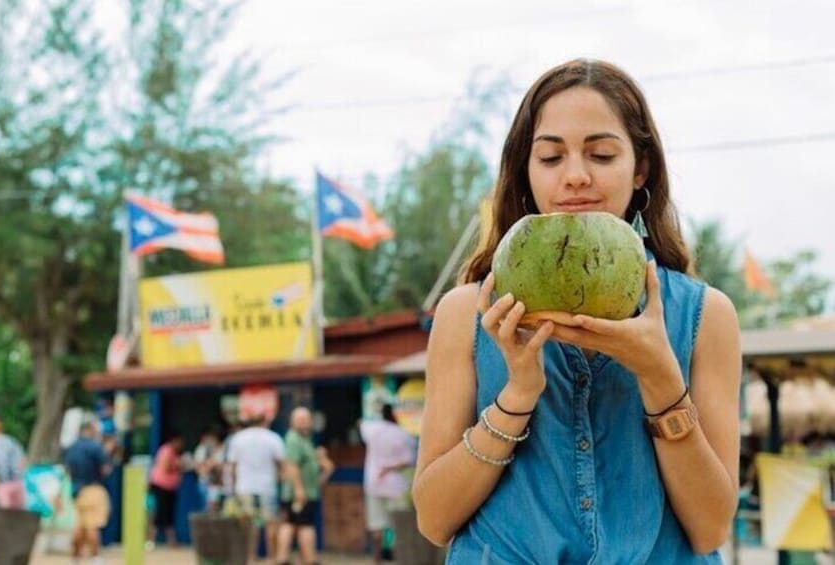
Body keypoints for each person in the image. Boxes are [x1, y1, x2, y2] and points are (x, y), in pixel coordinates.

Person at [412, 59, 741, 564]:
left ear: (641, 168)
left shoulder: (704, 315)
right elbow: (434, 520)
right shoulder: (467, 313)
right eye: (550, 157)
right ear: (526, 171)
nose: (576, 177)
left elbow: (710, 529)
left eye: (602, 154)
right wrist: (517, 395)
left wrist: (659, 378)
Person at [227, 415, 304, 563]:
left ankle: (250, 558)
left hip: (244, 487)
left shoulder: (238, 439)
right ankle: (271, 557)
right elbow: (283, 464)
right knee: (271, 524)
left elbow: (232, 467)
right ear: (265, 422)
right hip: (267, 487)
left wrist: (232, 488)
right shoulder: (272, 438)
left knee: (249, 525)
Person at [276, 407, 335, 565]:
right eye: (299, 419)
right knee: (299, 525)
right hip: (298, 493)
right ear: (292, 422)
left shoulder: (306, 440)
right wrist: (299, 489)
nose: (303, 422)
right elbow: (292, 465)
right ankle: (301, 559)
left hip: (308, 491)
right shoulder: (293, 439)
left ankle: (302, 558)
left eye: (306, 419)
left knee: (295, 524)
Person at [359, 403, 415, 565]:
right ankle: (400, 559)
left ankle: (377, 561)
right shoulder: (403, 434)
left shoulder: (371, 429)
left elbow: (360, 424)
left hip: (374, 483)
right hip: (396, 486)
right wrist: (390, 467)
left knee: (376, 526)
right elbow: (408, 461)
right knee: (399, 526)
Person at [63, 420, 112, 565]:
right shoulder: (95, 447)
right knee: (93, 525)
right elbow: (105, 469)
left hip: (77, 491)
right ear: (91, 430)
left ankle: (76, 557)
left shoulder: (71, 448)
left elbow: (68, 471)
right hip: (93, 488)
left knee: (80, 525)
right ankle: (95, 558)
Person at [148, 433, 185, 547]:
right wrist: (178, 465)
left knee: (168, 514)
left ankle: (171, 540)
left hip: (169, 487)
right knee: (159, 513)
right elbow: (165, 467)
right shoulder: (166, 450)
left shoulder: (174, 452)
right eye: (179, 442)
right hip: (161, 486)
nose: (181, 445)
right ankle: (151, 540)